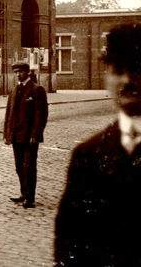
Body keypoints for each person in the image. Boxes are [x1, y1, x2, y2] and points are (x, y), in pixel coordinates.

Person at [55, 23, 141, 266]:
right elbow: (69, 242)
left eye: (136, 69)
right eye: (118, 70)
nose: (127, 80)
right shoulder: (87, 154)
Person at [3, 60, 48, 208]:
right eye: (16, 72)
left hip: (29, 137)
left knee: (28, 166)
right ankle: (23, 193)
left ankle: (30, 197)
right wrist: (7, 134)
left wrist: (35, 134)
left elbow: (40, 114)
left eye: (21, 71)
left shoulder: (36, 90)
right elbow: (9, 113)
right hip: (17, 136)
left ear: (27, 72)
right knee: (19, 167)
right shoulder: (14, 90)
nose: (18, 74)